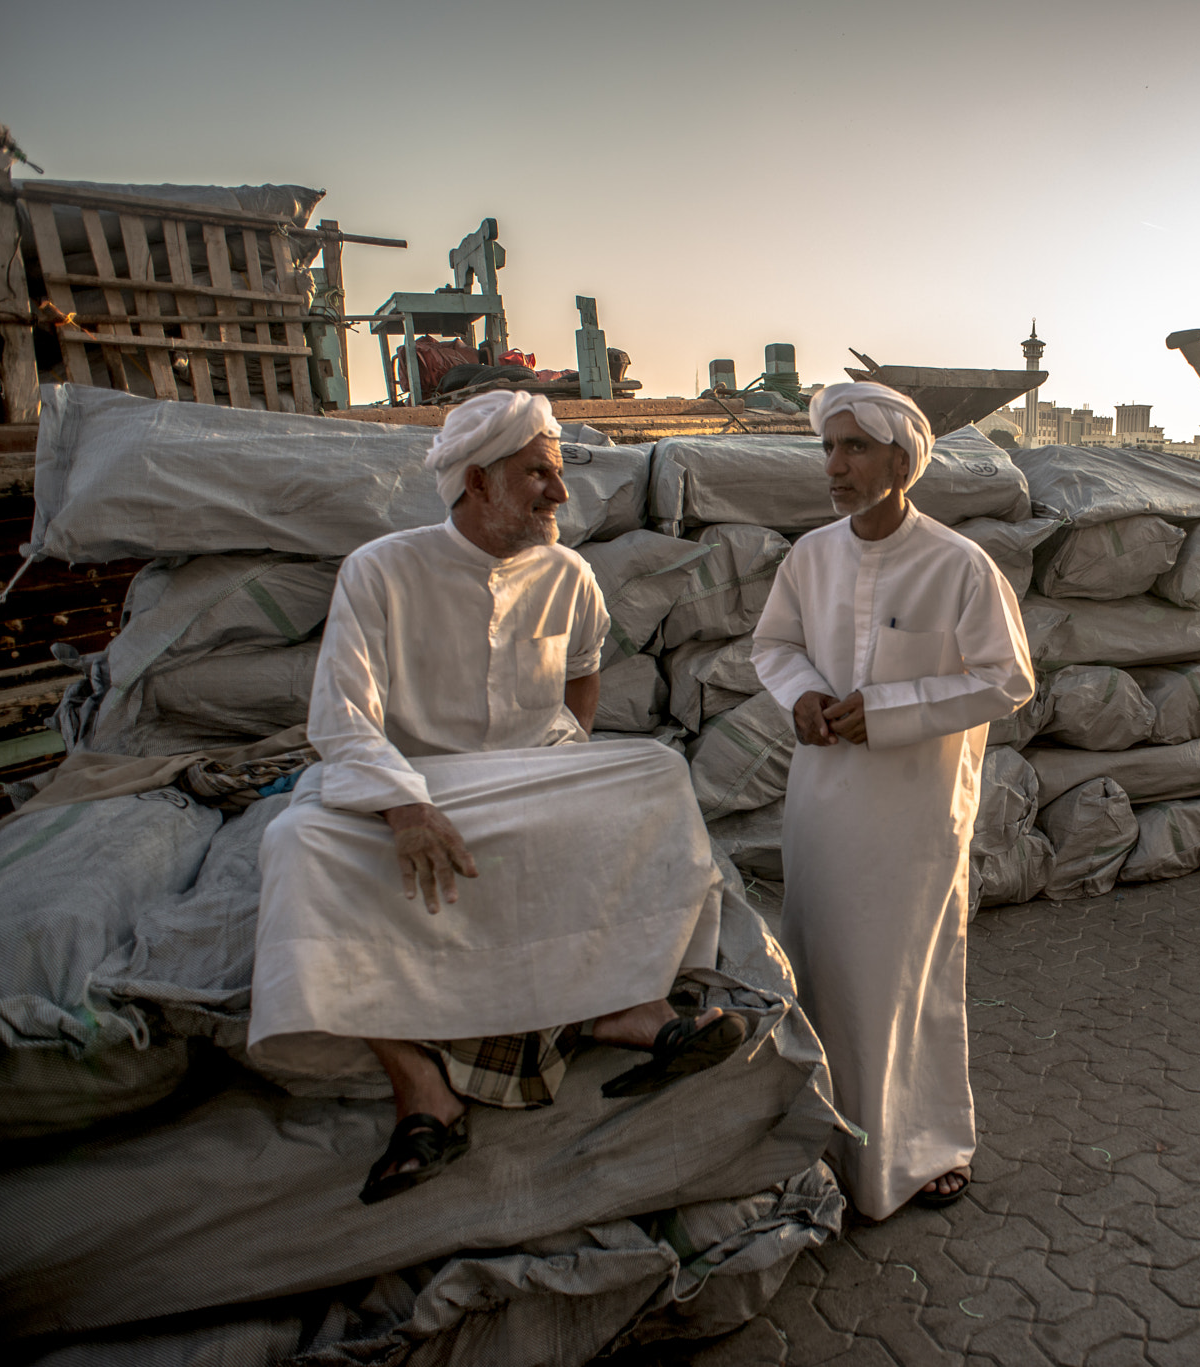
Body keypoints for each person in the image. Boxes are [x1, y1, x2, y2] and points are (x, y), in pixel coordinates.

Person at [251, 390, 744, 1205]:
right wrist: (405, 808)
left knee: (656, 774)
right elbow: (340, 715)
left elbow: (582, 679)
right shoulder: (381, 570)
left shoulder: (570, 573)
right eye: (539, 475)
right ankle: (423, 1089)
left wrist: (562, 776)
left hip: (532, 778)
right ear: (477, 483)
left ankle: (628, 1006)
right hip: (422, 786)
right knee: (296, 844)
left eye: (558, 475)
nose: (560, 493)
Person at [752, 382, 1033, 1219]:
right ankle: (825, 1140)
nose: (835, 465)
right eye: (829, 448)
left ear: (901, 461)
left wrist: (894, 711)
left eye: (854, 448)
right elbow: (774, 642)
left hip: (912, 814)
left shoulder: (958, 564)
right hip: (823, 806)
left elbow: (1009, 679)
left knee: (908, 981)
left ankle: (925, 1148)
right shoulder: (810, 556)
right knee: (821, 970)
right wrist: (800, 692)